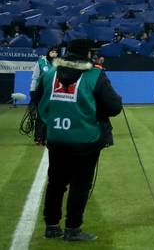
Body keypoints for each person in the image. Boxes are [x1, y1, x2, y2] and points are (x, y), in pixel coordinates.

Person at [32, 39, 122, 242]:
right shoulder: (95, 75)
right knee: (80, 185)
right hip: (86, 139)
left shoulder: (49, 73)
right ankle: (73, 228)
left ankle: (52, 226)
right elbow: (114, 107)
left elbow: (38, 99)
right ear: (87, 54)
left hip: (56, 136)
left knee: (55, 183)